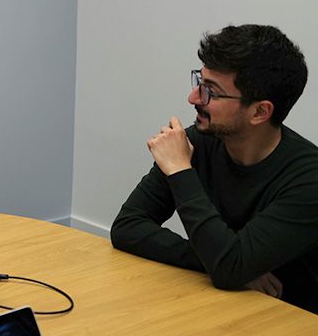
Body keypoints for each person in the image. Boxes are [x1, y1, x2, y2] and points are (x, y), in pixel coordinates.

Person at [111, 24, 318, 313]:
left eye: (211, 91)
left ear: (259, 112)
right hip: (223, 305)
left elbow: (229, 268)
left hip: (289, 317)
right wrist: (216, 262)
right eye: (200, 81)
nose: (194, 97)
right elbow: (127, 227)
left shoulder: (309, 179)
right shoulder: (199, 141)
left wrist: (180, 171)